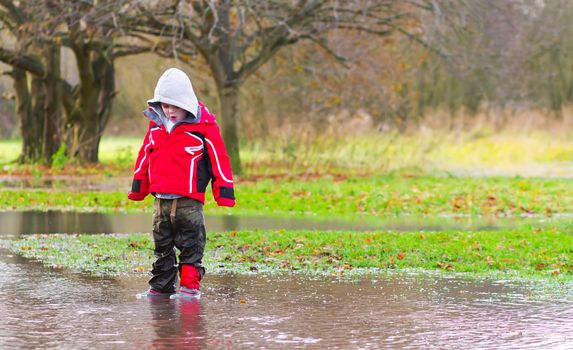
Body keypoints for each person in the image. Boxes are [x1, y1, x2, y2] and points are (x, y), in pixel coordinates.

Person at [128, 67, 235, 299]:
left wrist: (224, 191)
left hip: (189, 202)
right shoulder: (156, 128)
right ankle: (161, 287)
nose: (170, 111)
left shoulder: (204, 128)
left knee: (191, 244)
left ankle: (189, 287)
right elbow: (145, 156)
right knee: (162, 244)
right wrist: (138, 187)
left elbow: (220, 159)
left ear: (186, 103)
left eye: (175, 106)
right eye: (165, 106)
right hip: (161, 201)